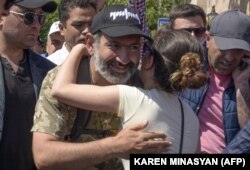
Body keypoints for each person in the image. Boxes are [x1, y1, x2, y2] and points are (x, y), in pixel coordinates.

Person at [32, 4, 169, 170]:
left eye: (133, 47)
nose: (124, 59)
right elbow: (43, 157)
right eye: (114, 46)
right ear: (91, 43)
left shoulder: (142, 84)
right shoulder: (63, 79)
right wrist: (115, 146)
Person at [51, 29, 207, 169]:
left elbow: (60, 89)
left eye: (143, 51)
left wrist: (78, 49)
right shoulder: (192, 117)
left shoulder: (136, 98)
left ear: (150, 61)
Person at [178, 10, 250, 153]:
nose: (229, 58)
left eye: (237, 50)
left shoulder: (246, 77)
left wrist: (241, 85)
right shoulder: (186, 65)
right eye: (224, 48)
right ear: (208, 39)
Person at [0, 0, 57, 169]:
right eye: (28, 17)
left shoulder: (50, 72)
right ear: (2, 17)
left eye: (40, 18)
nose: (36, 25)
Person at [47, 0, 96, 65]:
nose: (87, 30)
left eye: (92, 24)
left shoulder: (108, 62)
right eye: (79, 25)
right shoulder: (48, 65)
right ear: (62, 29)